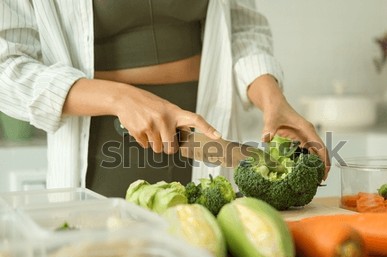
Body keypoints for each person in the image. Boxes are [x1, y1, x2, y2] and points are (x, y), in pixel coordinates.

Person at [0, 0, 329, 198]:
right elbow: (6, 66)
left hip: (204, 132)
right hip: (100, 149)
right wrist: (121, 99)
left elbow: (240, 26)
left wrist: (272, 98)